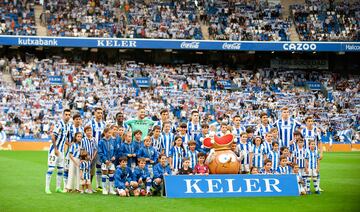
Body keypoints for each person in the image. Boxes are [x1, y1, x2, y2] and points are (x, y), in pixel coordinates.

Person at [45, 109, 71, 194]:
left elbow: (63, 138)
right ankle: (47, 188)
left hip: (61, 151)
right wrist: (55, 149)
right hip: (54, 150)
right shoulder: (59, 124)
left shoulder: (67, 125)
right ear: (63, 115)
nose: (67, 116)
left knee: (60, 170)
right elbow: (53, 136)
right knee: (51, 168)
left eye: (69, 115)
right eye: (66, 114)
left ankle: (58, 187)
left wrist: (69, 144)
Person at [302, 116, 324, 191]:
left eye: (311, 121)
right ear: (306, 122)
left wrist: (321, 153)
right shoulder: (303, 131)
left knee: (316, 169)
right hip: (305, 153)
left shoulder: (316, 131)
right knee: (306, 169)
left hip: (314, 153)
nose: (310, 123)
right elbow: (299, 141)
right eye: (309, 121)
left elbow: (320, 142)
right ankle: (305, 186)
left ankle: (317, 186)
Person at [87, 107, 106, 191]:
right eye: (98, 113)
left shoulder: (104, 124)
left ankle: (98, 186)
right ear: (94, 113)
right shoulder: (90, 123)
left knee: (99, 167)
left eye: (101, 113)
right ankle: (88, 186)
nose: (100, 114)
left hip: (101, 150)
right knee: (90, 168)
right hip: (92, 149)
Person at [64, 113, 83, 187]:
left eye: (79, 119)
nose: (78, 121)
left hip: (78, 154)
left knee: (76, 171)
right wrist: (69, 144)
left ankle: (75, 186)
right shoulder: (69, 128)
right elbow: (64, 138)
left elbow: (83, 140)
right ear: (73, 120)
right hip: (69, 152)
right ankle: (66, 186)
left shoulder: (81, 129)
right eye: (76, 119)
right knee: (67, 169)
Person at [98, 127, 116, 195]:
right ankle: (104, 189)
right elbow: (100, 152)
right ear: (105, 133)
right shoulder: (101, 141)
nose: (110, 134)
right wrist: (105, 160)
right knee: (104, 173)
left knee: (111, 173)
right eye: (109, 133)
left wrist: (114, 156)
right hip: (104, 161)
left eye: (111, 133)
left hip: (111, 161)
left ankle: (111, 189)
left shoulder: (113, 140)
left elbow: (115, 150)